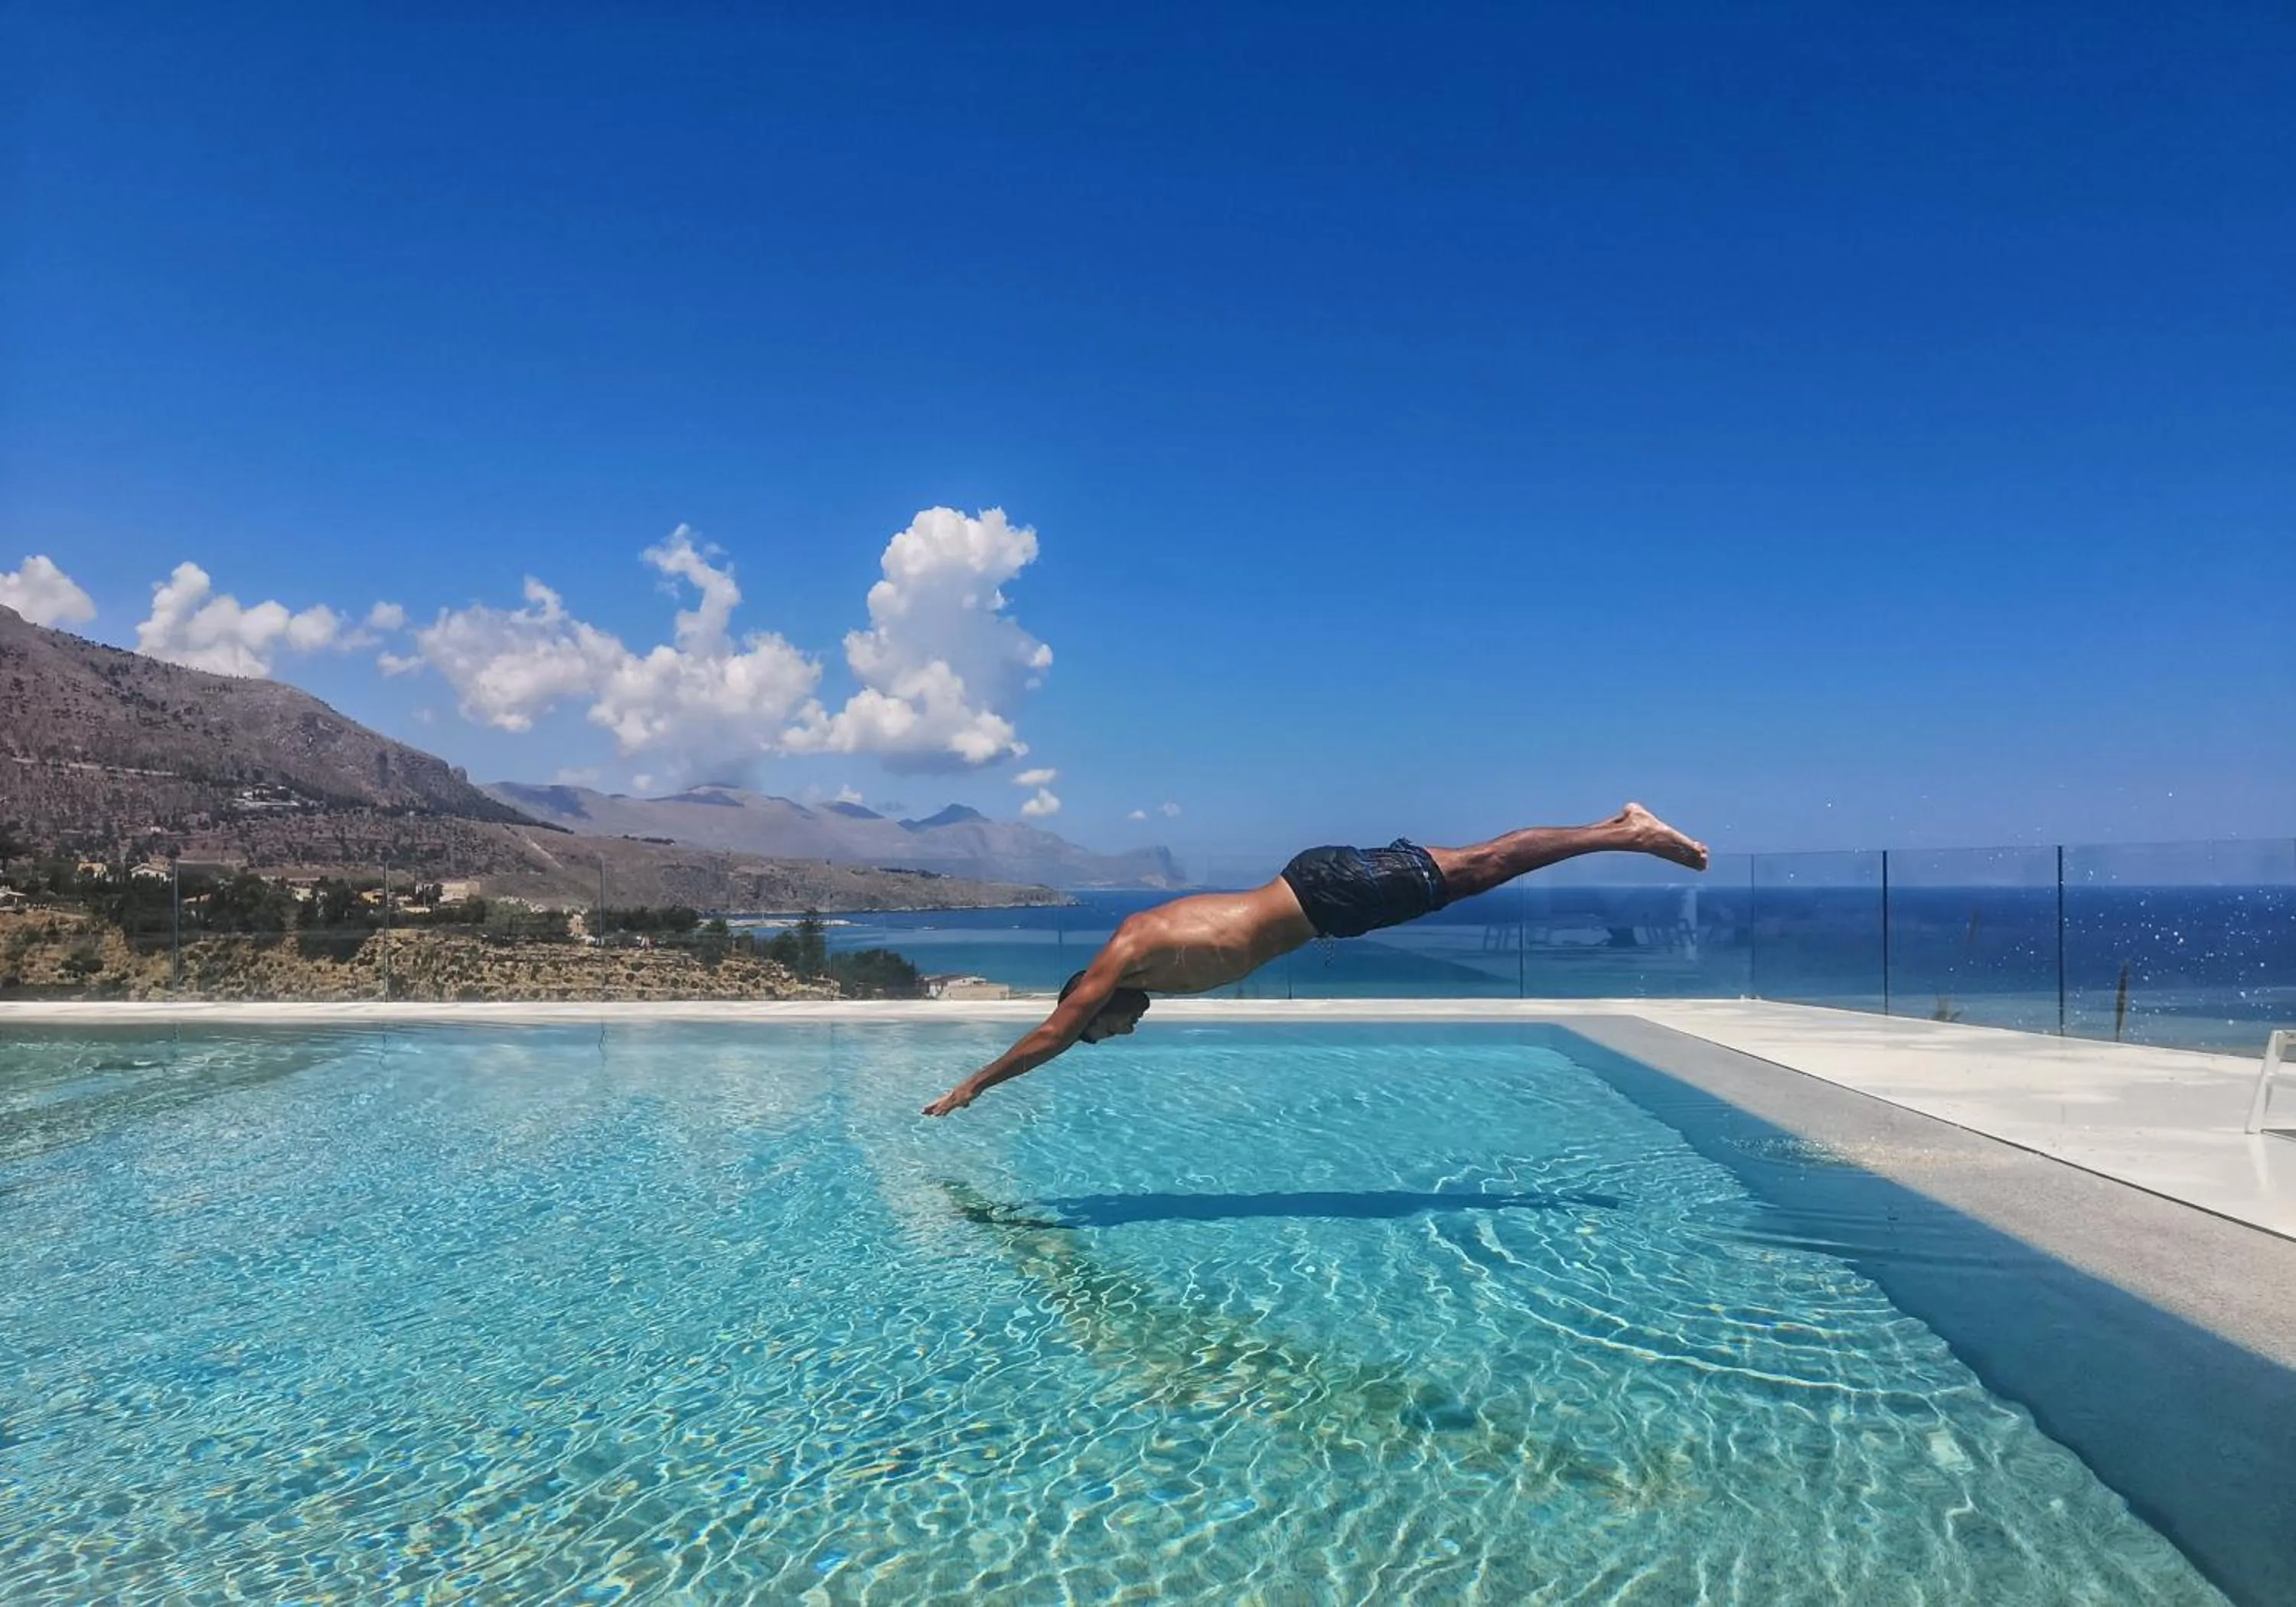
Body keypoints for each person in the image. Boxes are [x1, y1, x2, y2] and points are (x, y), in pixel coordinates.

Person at [922, 803, 1707, 1116]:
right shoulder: (1146, 971)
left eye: (1102, 1029)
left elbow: (1051, 1036)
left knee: (1481, 867)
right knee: (1474, 875)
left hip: (1326, 892)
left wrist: (974, 1085)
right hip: (1327, 901)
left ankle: (1624, 830)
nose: (1114, 1036)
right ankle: (1616, 827)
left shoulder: (1123, 952)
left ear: (1092, 1004)